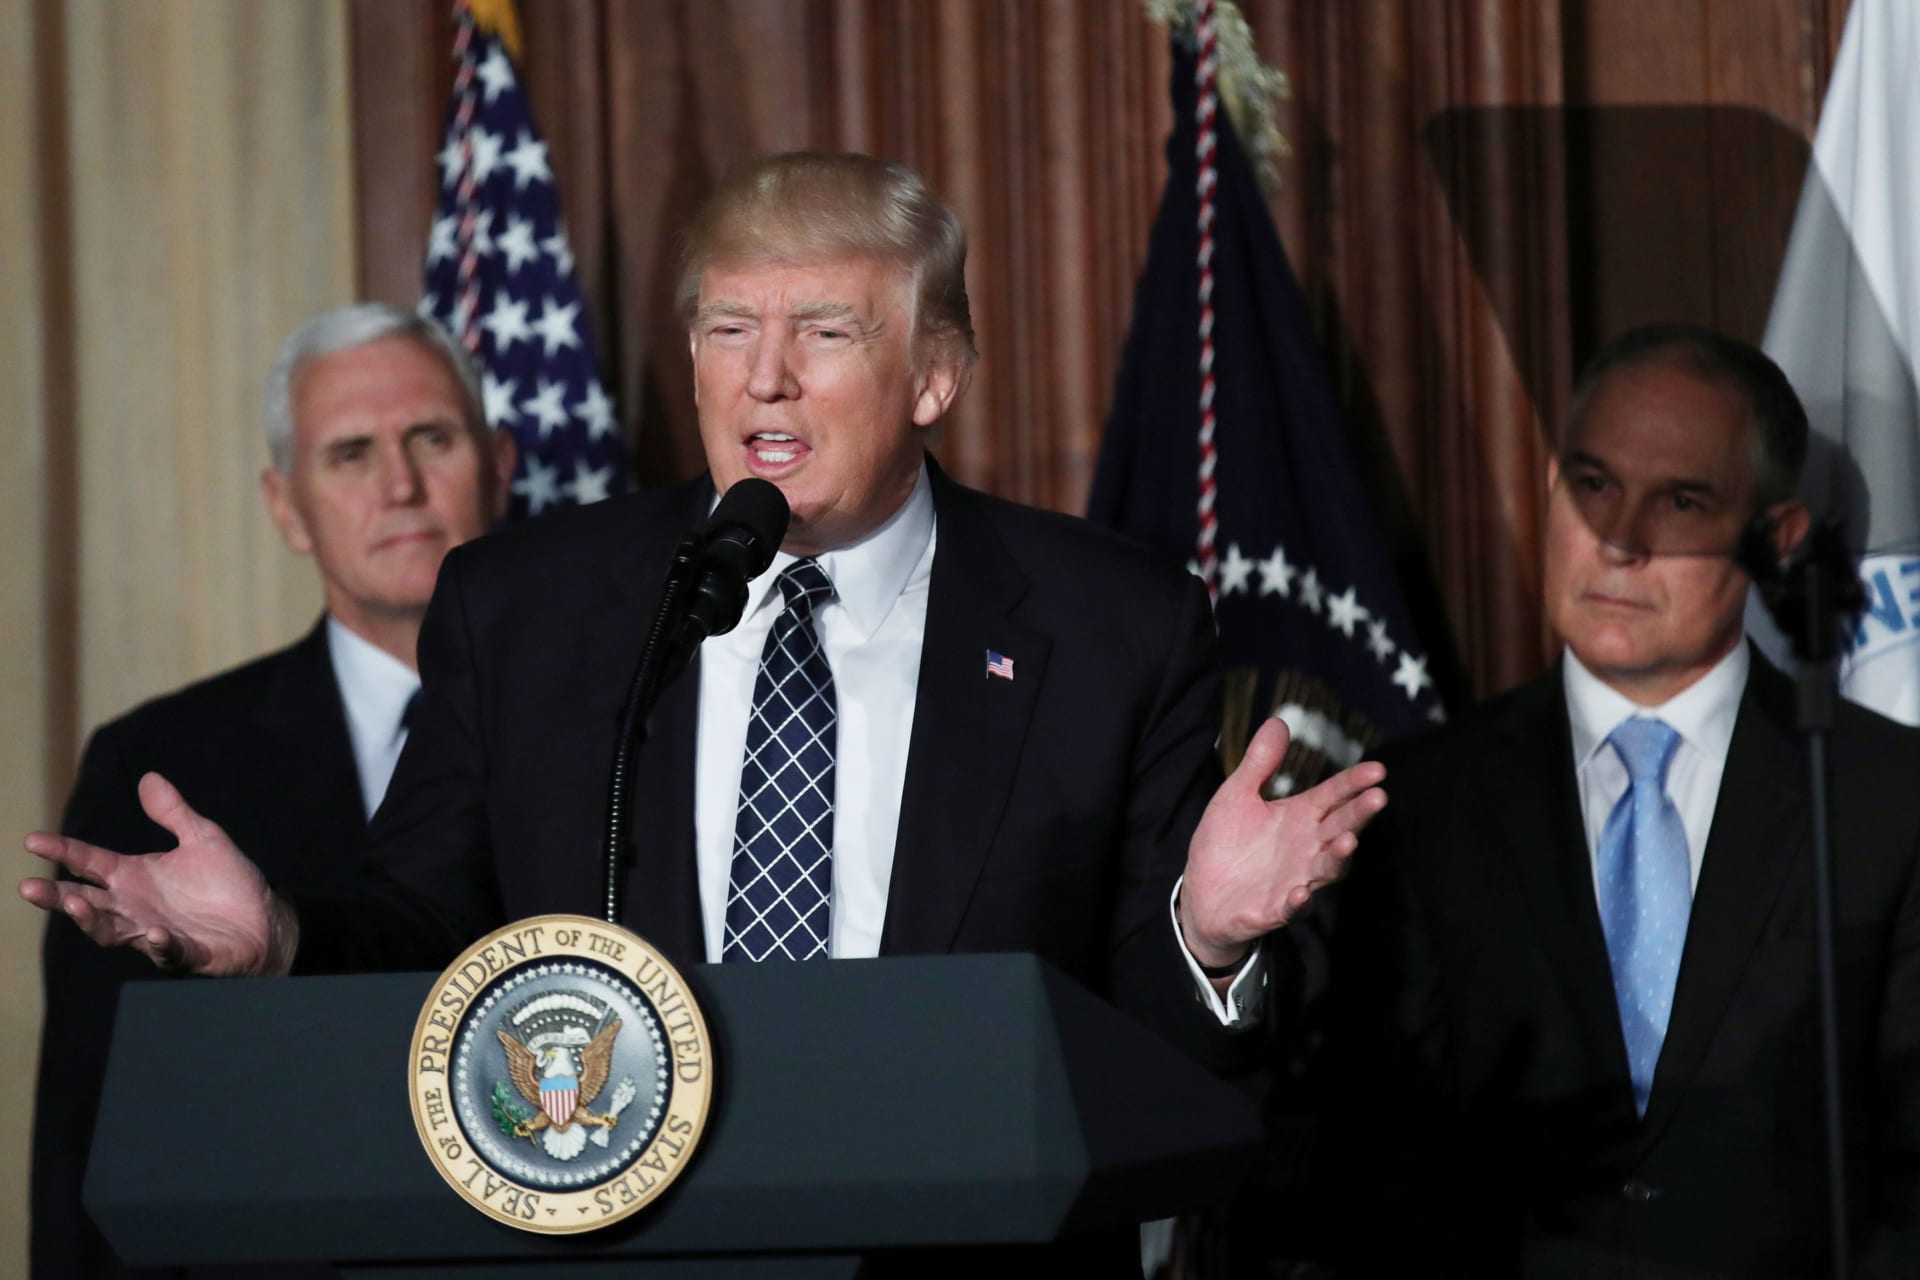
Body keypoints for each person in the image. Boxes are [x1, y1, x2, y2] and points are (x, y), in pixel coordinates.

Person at [20, 156, 1382, 1219]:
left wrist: (1205, 934)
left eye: (826, 331)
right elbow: (434, 928)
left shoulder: (1107, 623)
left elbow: (1144, 1054)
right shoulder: (533, 603)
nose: (766, 376)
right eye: (729, 327)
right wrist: (284, 942)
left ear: (935, 375)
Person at [1324, 324, 1920, 1276]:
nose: (1620, 543)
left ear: (1776, 540)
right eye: (1595, 486)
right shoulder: (1422, 803)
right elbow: (1373, 1168)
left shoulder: (1888, 802)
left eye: (1682, 501)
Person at [30, 304, 515, 1279]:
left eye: (432, 436)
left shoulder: (633, 720)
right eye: (349, 453)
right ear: (285, 506)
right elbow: (94, 1145)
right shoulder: (161, 766)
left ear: (501, 465)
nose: (401, 484)